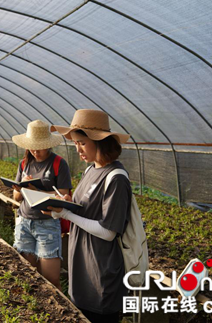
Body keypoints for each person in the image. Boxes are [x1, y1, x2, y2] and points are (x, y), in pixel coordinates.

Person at [44, 109, 132, 323]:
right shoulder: (89, 170)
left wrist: (67, 213)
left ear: (100, 142)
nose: (78, 149)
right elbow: (82, 210)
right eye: (75, 143)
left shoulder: (116, 178)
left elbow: (108, 232)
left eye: (82, 143)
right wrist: (60, 209)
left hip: (100, 272)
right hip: (81, 266)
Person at [11, 120, 72, 290]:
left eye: (39, 147)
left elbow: (62, 196)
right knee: (28, 275)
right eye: (32, 147)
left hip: (47, 224)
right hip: (24, 223)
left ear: (48, 145)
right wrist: (22, 186)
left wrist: (34, 190)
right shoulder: (24, 164)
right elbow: (16, 197)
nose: (35, 151)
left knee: (51, 280)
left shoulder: (59, 164)